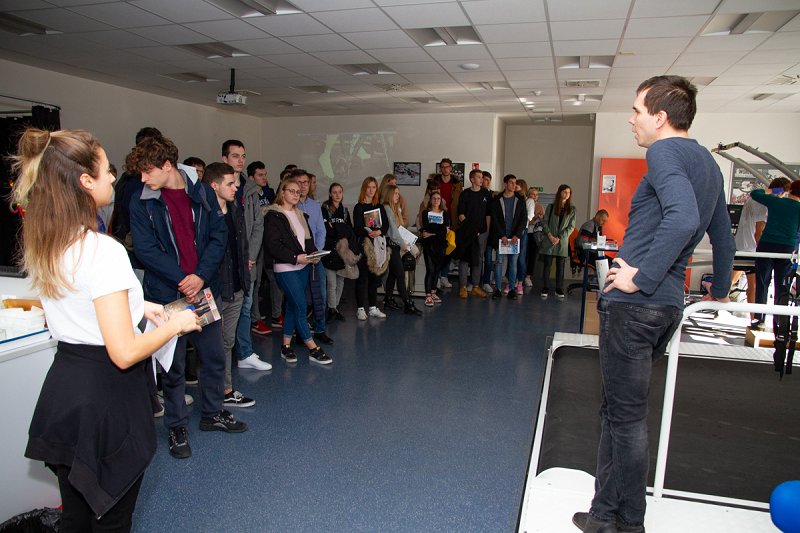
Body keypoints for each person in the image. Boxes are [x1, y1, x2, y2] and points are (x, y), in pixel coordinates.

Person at [572, 75, 735, 533]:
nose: (631, 119)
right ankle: (604, 514)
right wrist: (721, 288)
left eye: (637, 110)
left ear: (660, 118)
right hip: (664, 308)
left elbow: (683, 220)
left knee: (624, 418)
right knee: (617, 413)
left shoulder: (664, 152)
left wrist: (639, 277)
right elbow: (722, 237)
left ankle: (629, 523)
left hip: (635, 306)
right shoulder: (708, 163)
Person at [15, 128, 200, 532]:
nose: (114, 177)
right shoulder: (104, 250)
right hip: (106, 399)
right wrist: (176, 324)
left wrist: (140, 305)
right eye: (105, 170)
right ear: (85, 181)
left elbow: (81, 301)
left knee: (76, 517)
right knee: (112, 521)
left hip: (65, 392)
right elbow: (124, 351)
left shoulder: (50, 241)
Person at [128, 134, 248, 460]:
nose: (143, 178)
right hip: (167, 294)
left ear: (167, 166)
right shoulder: (142, 201)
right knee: (174, 365)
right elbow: (146, 250)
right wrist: (183, 279)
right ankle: (176, 425)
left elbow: (218, 235)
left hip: (202, 290)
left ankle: (212, 413)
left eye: (147, 171)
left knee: (213, 355)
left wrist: (200, 276)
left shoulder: (201, 192)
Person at [203, 162, 261, 408]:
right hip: (214, 291)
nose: (236, 187)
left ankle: (225, 390)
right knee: (211, 346)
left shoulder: (235, 210)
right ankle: (213, 396)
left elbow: (243, 248)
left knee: (227, 342)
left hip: (236, 288)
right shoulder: (204, 215)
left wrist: (245, 280)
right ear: (214, 186)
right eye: (230, 183)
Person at [263, 177, 332, 365]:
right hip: (285, 268)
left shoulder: (300, 214)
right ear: (282, 192)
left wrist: (314, 253)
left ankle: (285, 345)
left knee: (293, 306)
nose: (296, 194)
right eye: (291, 191)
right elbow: (273, 246)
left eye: (298, 192)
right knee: (301, 306)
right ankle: (313, 348)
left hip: (303, 266)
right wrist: (295, 258)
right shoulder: (273, 215)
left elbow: (307, 242)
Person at [733, 177, 790, 319]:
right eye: (784, 193)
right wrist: (765, 252)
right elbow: (759, 232)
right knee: (753, 286)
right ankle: (755, 319)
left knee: (734, 282)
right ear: (779, 191)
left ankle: (755, 319)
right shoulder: (764, 204)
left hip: (741, 246)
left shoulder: (753, 199)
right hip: (752, 250)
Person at [750, 180, 800, 328]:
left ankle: (759, 320)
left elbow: (755, 193)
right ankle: (780, 323)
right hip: (787, 249)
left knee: (762, 283)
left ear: (790, 190)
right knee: (782, 286)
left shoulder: (776, 201)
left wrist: (773, 191)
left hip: (767, 245)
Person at [295, 168, 334, 344]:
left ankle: (320, 329)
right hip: (296, 259)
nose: (303, 186)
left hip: (315, 257)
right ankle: (300, 332)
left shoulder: (315, 205)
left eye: (306, 182)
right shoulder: (290, 205)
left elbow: (321, 230)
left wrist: (316, 252)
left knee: (321, 296)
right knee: (300, 298)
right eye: (300, 182)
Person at [380, 184, 422, 315]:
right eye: (395, 193)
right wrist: (403, 243)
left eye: (398, 193)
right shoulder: (387, 208)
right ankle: (407, 303)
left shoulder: (392, 208)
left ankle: (388, 299)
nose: (398, 196)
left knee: (393, 274)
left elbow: (397, 228)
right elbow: (393, 230)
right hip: (391, 245)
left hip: (394, 245)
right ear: (389, 194)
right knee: (399, 274)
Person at [352, 176, 389, 320]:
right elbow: (357, 228)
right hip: (364, 246)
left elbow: (385, 226)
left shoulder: (379, 207)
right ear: (364, 189)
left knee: (374, 278)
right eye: (369, 187)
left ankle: (373, 307)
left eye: (374, 187)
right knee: (362, 278)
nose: (371, 190)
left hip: (377, 247)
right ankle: (360, 309)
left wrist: (379, 232)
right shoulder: (359, 207)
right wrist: (369, 232)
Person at [454, 168, 492, 299]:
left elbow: (488, 214)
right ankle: (463, 287)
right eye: (479, 177)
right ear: (472, 179)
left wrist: (487, 231)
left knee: (478, 258)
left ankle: (476, 286)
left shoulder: (486, 194)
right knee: (465, 259)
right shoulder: (465, 194)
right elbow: (461, 214)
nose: (482, 179)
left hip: (482, 233)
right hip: (467, 232)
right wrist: (471, 229)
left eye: (482, 177)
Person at [488, 174, 527, 300]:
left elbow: (523, 219)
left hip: (515, 237)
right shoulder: (497, 200)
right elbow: (494, 219)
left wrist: (517, 235)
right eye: (511, 182)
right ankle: (498, 289)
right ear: (505, 184)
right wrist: (502, 235)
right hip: (501, 237)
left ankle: (511, 289)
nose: (514, 185)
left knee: (513, 263)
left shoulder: (520, 200)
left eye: (515, 183)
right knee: (499, 263)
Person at [321, 182, 354, 321]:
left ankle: (335, 308)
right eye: (334, 192)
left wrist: (335, 227)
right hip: (329, 250)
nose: (337, 195)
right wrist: (340, 229)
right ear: (330, 194)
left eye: (340, 192)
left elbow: (349, 231)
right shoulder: (324, 209)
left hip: (342, 252)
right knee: (331, 283)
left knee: (341, 281)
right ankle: (331, 309)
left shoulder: (344, 211)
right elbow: (327, 231)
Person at [539, 184, 576, 299]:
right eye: (565, 192)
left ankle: (559, 288)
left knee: (560, 266)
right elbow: (544, 222)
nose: (567, 194)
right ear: (560, 192)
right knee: (547, 265)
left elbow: (571, 227)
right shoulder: (551, 207)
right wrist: (550, 236)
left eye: (569, 192)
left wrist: (559, 237)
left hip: (562, 241)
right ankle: (545, 287)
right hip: (549, 239)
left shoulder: (572, 209)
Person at [435, 158, 463, 289]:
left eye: (447, 167)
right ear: (440, 168)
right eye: (443, 167)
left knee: (449, 248)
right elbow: (427, 199)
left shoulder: (457, 184)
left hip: (452, 219)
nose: (445, 169)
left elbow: (461, 201)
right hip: (437, 217)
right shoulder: (435, 182)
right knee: (438, 249)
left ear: (451, 168)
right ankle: (437, 276)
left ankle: (444, 276)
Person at [420, 190, 449, 306]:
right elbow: (427, 227)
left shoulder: (444, 213)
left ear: (441, 201)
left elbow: (445, 231)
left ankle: (433, 292)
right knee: (430, 270)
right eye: (434, 198)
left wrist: (431, 233)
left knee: (437, 270)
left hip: (440, 245)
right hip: (429, 245)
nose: (436, 200)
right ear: (430, 200)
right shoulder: (425, 213)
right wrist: (439, 230)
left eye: (438, 198)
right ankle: (428, 295)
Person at [514, 178, 534, 294]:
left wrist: (519, 224)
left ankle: (520, 282)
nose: (514, 187)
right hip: (513, 231)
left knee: (521, 258)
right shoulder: (513, 199)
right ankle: (513, 281)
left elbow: (529, 217)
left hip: (523, 231)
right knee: (513, 258)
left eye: (517, 186)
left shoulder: (529, 201)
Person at [524, 188, 540, 287]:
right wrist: (534, 218)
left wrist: (538, 217)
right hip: (525, 232)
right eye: (532, 194)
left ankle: (528, 276)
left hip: (534, 234)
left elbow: (543, 220)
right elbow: (528, 221)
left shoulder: (540, 207)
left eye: (536, 194)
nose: (534, 196)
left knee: (532, 256)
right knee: (523, 256)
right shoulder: (525, 203)